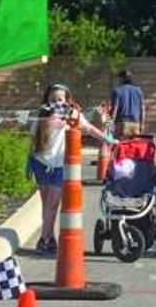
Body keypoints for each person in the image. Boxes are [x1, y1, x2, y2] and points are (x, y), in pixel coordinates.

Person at [27, 83, 114, 254]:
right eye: (53, 99)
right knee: (47, 205)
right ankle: (47, 239)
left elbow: (88, 128)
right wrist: (27, 164)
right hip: (40, 163)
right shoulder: (42, 115)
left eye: (60, 99)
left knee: (52, 205)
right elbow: (33, 141)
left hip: (59, 165)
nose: (56, 102)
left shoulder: (72, 114)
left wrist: (108, 140)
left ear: (67, 100)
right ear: (47, 100)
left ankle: (45, 239)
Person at [109, 69, 145, 138]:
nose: (118, 80)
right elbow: (142, 109)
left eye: (119, 78)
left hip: (121, 123)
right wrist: (142, 124)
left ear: (122, 79)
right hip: (135, 123)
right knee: (134, 146)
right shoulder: (138, 91)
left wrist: (111, 124)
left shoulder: (117, 91)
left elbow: (115, 109)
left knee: (121, 146)